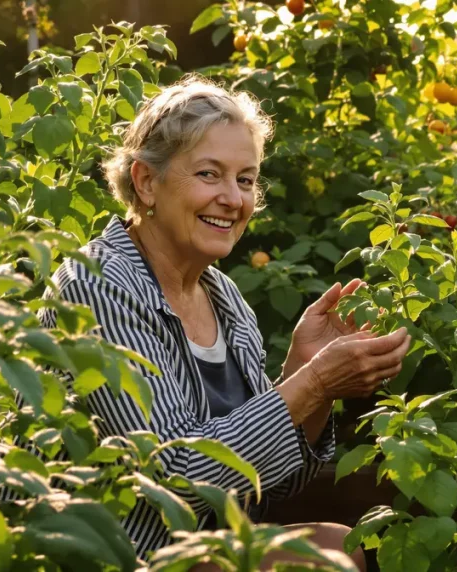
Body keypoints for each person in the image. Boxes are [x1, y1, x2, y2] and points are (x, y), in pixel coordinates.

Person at [38, 74, 411, 568]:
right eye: (209, 174)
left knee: (336, 547)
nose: (234, 199)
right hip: (116, 554)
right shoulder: (98, 284)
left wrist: (304, 369)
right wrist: (314, 382)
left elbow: (270, 485)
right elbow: (174, 476)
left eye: (246, 179)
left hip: (197, 549)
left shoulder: (223, 296)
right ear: (146, 182)